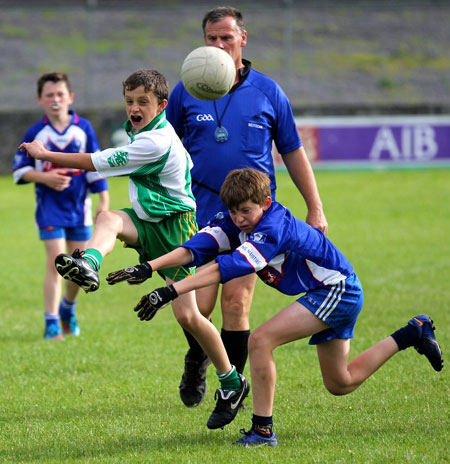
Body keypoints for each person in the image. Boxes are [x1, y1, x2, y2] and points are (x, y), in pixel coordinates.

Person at [106, 168, 444, 447]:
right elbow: (196, 249)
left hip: (337, 290)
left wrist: (171, 291)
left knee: (261, 340)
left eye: (246, 211)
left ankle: (262, 429)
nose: (239, 219)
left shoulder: (272, 227)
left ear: (266, 203)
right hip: (331, 292)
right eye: (234, 211)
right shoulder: (233, 221)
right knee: (340, 382)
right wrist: (149, 268)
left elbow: (234, 266)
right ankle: (412, 331)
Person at [19, 69, 249, 430]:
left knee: (189, 317)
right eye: (129, 101)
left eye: (143, 101)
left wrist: (43, 153)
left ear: (161, 104)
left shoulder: (153, 142)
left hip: (174, 227)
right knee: (108, 219)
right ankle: (89, 264)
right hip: (147, 219)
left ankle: (232, 381)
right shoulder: (143, 130)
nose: (134, 108)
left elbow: (93, 163)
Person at [166, 6, 328, 407]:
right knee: (196, 309)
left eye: (226, 37)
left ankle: (231, 390)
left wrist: (315, 208)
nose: (218, 45)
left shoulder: (268, 91)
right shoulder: (186, 89)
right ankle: (196, 356)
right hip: (196, 213)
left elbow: (292, 152)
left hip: (249, 219)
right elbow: (164, 150)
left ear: (243, 38)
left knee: (235, 303)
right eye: (211, 38)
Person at [13, 72, 109, 340]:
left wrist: (104, 200)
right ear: (40, 100)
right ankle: (51, 322)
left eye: (60, 94)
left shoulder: (84, 129)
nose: (55, 99)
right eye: (49, 95)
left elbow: (96, 167)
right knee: (56, 262)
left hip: (80, 209)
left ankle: (68, 308)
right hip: (49, 209)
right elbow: (19, 171)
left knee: (78, 266)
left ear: (70, 98)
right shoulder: (36, 133)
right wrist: (44, 176)